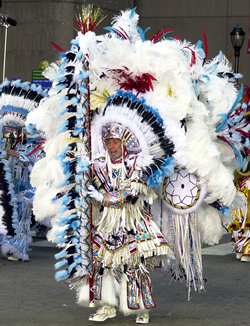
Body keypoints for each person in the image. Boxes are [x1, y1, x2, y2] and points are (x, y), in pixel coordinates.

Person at [0, 79, 47, 261]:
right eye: (8, 129)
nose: (10, 132)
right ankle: (8, 245)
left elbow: (38, 166)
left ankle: (18, 250)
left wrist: (19, 156)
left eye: (14, 129)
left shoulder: (34, 146)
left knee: (21, 221)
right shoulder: (5, 144)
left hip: (26, 190)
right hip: (8, 191)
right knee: (7, 219)